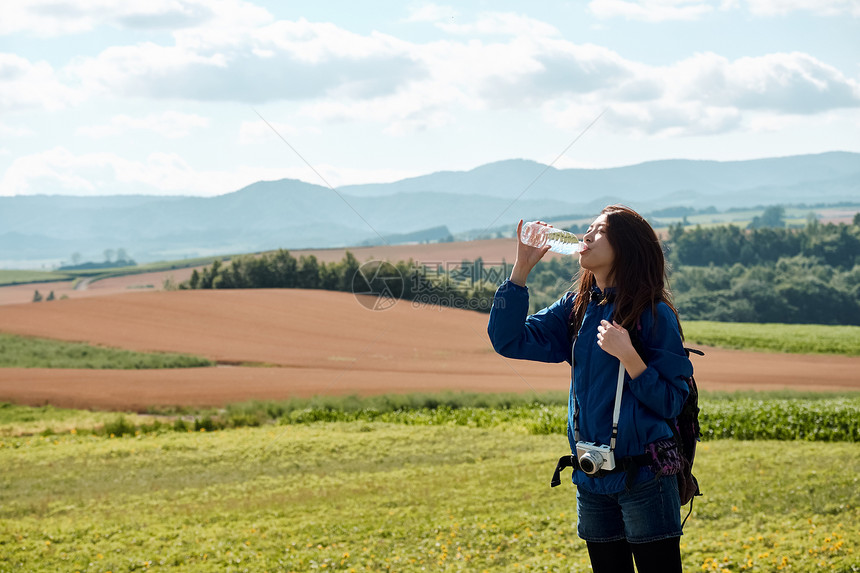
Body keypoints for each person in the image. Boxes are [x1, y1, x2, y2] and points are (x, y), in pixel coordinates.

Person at [487, 205, 692, 573]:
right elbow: (507, 340)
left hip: (645, 479)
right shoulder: (576, 308)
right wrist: (520, 271)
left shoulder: (654, 313)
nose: (586, 237)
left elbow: (672, 401)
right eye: (588, 229)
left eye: (599, 231)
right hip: (591, 481)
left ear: (625, 247)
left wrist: (629, 356)